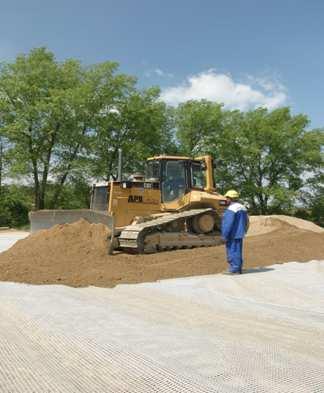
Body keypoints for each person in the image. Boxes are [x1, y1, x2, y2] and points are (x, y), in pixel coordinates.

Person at [221, 190, 249, 275]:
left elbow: (227, 223)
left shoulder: (231, 209)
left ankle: (234, 269)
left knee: (232, 251)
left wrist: (224, 235)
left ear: (230, 198)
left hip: (232, 234)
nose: (226, 200)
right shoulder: (243, 207)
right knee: (238, 251)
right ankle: (238, 268)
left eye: (227, 198)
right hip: (240, 233)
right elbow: (247, 221)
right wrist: (244, 231)